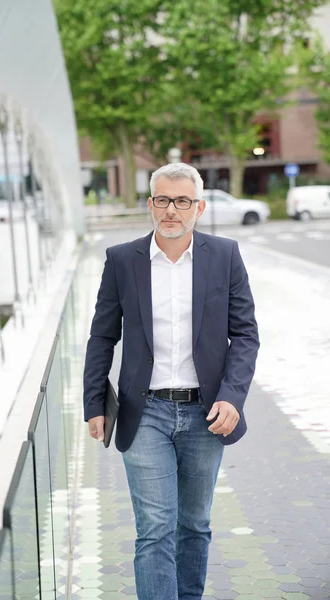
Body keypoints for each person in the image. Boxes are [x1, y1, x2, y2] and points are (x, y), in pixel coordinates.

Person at [83, 162, 259, 600]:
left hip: (208, 413)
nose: (171, 210)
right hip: (145, 414)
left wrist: (233, 397)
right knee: (156, 528)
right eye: (163, 200)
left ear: (199, 206)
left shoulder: (225, 255)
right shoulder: (123, 260)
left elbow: (247, 335)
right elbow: (102, 336)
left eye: (182, 201)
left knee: (194, 525)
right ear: (150, 204)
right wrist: (93, 404)